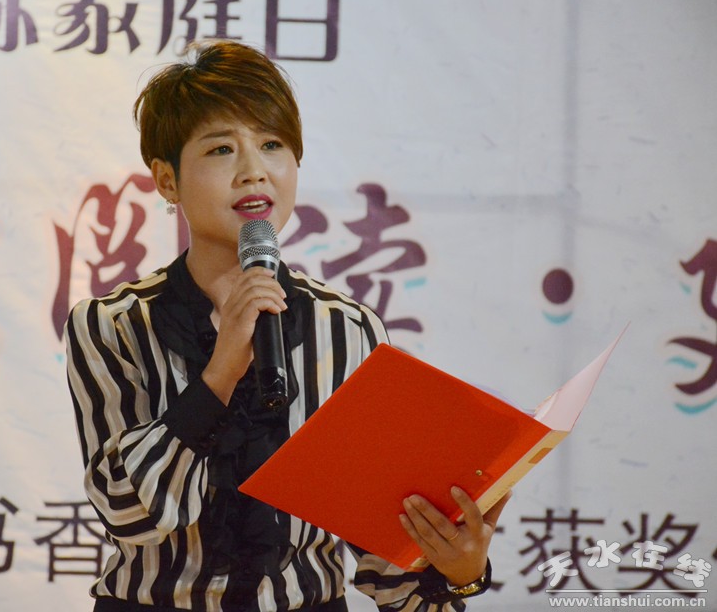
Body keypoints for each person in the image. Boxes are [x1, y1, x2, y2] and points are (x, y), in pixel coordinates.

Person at [65, 40, 510, 612]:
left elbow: (385, 559)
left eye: (272, 144)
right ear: (167, 180)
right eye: (222, 149)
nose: (254, 171)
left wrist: (460, 572)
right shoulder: (114, 324)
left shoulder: (348, 330)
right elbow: (127, 512)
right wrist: (219, 374)